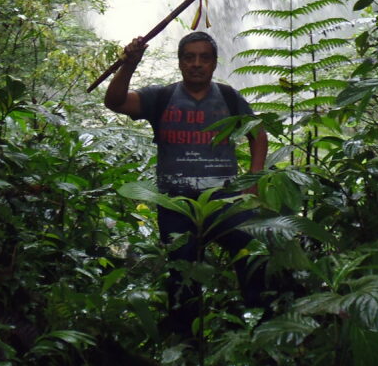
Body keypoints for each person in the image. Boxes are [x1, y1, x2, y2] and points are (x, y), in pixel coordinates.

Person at [104, 30, 269, 337]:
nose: (196, 64)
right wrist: (129, 64)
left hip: (226, 200)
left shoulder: (230, 97)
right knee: (181, 276)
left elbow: (258, 133)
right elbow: (115, 102)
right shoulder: (161, 97)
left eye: (204, 58)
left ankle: (260, 330)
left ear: (214, 63)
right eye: (189, 57)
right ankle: (186, 344)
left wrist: (254, 180)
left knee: (254, 258)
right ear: (180, 62)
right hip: (176, 204)